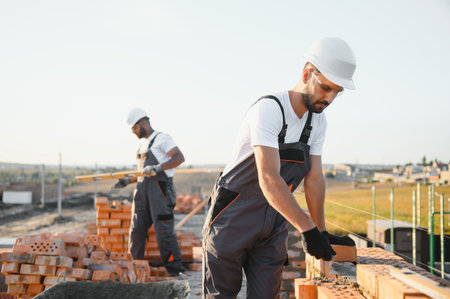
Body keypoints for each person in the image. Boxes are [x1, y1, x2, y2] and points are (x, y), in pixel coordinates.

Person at [202, 37, 357, 298]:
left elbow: (315, 179)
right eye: (326, 88)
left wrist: (320, 232)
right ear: (307, 73)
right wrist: (307, 229)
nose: (330, 98)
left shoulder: (317, 122)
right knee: (221, 294)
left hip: (273, 222)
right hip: (232, 217)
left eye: (337, 92)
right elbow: (269, 179)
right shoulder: (269, 109)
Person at [114, 107, 186, 276]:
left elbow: (179, 157)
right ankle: (134, 267)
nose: (133, 132)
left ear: (144, 123)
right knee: (136, 229)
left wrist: (158, 167)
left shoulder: (162, 139)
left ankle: (175, 270)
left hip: (159, 192)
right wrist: (128, 180)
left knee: (163, 232)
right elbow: (143, 173)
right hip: (141, 192)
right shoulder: (142, 145)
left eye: (134, 128)